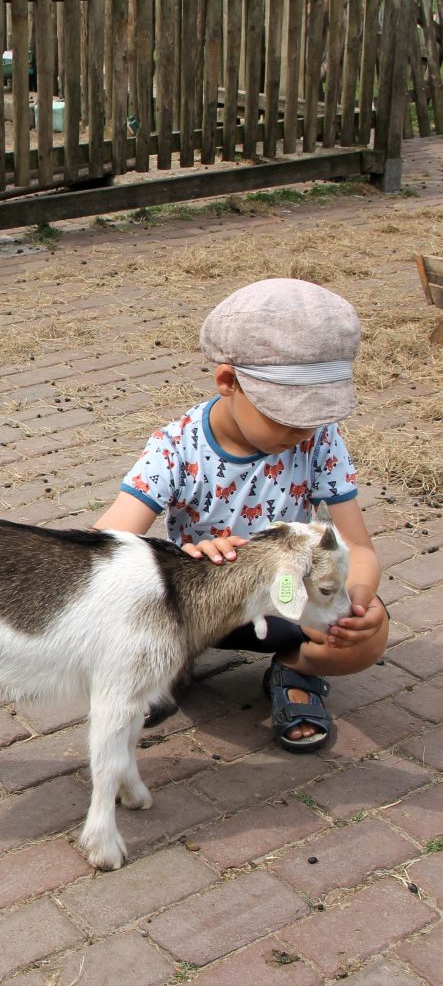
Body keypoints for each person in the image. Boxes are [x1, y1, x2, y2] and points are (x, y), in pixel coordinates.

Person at [94, 278, 389, 752]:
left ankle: (296, 671)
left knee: (370, 635)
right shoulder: (176, 447)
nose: (301, 430)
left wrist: (353, 601)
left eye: (315, 416)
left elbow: (358, 547)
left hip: (284, 598)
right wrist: (182, 558)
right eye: (286, 415)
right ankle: (169, 666)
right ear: (228, 381)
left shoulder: (318, 440)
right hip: (198, 603)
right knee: (123, 610)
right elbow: (103, 547)